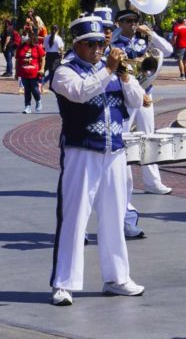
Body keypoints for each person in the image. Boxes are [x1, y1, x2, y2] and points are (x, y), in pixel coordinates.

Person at [49, 15, 146, 306]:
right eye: (91, 44)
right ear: (77, 45)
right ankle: (63, 283)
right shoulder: (64, 71)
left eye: (100, 44)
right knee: (75, 217)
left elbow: (137, 100)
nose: (98, 49)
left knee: (114, 216)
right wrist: (109, 70)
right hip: (81, 150)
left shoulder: (113, 70)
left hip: (113, 151)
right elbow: (81, 93)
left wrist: (125, 77)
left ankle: (116, 278)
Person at [113, 8, 175, 195]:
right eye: (128, 21)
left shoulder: (143, 40)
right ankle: (120, 182)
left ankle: (152, 182)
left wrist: (151, 33)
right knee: (124, 138)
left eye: (135, 21)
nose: (133, 24)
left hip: (146, 94)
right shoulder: (115, 43)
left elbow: (169, 50)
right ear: (119, 23)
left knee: (148, 137)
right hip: (126, 97)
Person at [16, 24, 45, 113]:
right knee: (27, 90)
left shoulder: (36, 47)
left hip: (34, 73)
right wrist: (16, 72)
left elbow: (43, 58)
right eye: (23, 35)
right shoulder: (20, 47)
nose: (24, 37)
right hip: (23, 72)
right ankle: (27, 106)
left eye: (26, 35)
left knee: (34, 89)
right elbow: (17, 60)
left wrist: (42, 69)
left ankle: (38, 100)